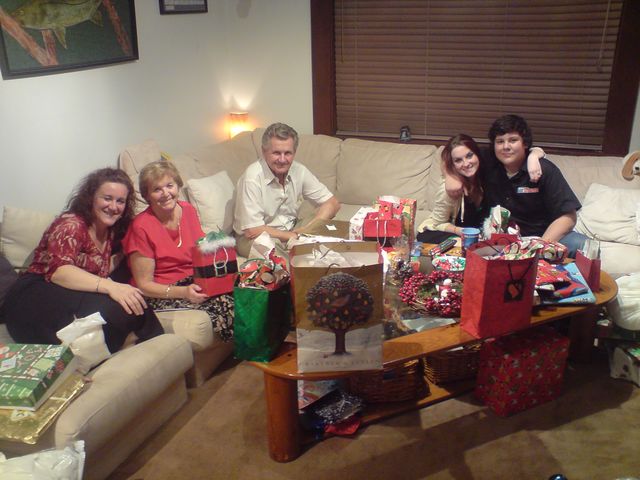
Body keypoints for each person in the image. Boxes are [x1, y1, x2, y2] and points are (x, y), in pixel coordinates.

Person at [1, 168, 164, 353]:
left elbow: (98, 266)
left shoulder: (111, 230)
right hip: (35, 295)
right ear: (91, 197)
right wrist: (112, 287)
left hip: (70, 292)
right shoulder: (71, 225)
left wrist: (124, 256)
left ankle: (153, 347)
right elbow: (60, 272)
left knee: (133, 304)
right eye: (107, 198)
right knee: (119, 307)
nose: (113, 206)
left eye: (120, 201)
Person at [123, 161, 233, 342]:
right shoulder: (141, 227)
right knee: (224, 304)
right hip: (161, 292)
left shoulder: (187, 210)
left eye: (169, 185)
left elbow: (201, 252)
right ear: (147, 196)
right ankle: (249, 351)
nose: (166, 193)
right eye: (157, 189)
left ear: (178, 186)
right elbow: (144, 285)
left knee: (244, 289)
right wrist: (183, 292)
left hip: (194, 279)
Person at [482, 114, 587, 256]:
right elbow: (459, 154)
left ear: (525, 143)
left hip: (544, 237)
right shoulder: (489, 164)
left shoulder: (544, 169)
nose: (506, 146)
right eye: (500, 141)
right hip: (503, 241)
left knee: (583, 245)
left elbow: (568, 217)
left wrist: (537, 247)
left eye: (513, 140)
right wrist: (452, 178)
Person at [233, 122, 341, 257]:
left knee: (327, 224)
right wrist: (293, 236)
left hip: (292, 228)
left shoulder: (299, 170)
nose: (282, 159)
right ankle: (297, 262)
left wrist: (308, 229)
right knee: (272, 249)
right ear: (264, 151)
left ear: (294, 152)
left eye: (288, 153)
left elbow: (333, 203)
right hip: (257, 237)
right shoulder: (252, 178)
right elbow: (252, 230)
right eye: (276, 153)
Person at [418, 134, 545, 243]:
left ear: (477, 154)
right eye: (458, 160)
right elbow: (437, 224)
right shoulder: (450, 189)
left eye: (469, 156)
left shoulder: (487, 172)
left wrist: (533, 156)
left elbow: (531, 151)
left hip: (482, 237)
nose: (466, 163)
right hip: (454, 234)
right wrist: (459, 231)